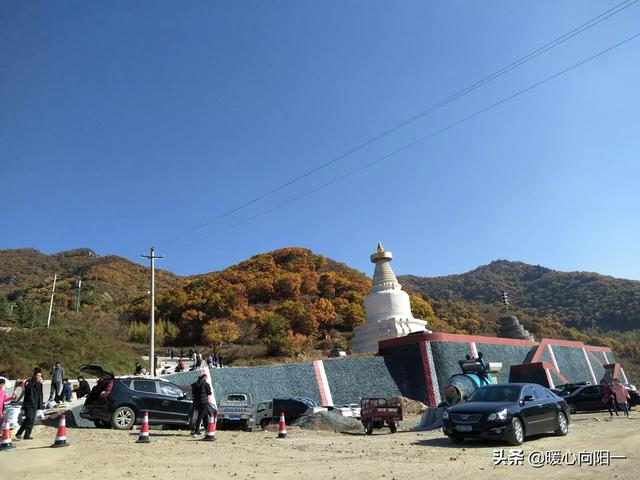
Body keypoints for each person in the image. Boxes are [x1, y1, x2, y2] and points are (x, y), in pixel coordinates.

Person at [15, 368, 44, 441]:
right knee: (29, 418)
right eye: (37, 375)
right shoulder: (29, 381)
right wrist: (36, 381)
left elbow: (40, 395)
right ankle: (19, 433)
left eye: (40, 376)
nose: (39, 377)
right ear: (34, 375)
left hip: (35, 404)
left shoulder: (39, 384)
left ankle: (27, 435)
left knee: (32, 420)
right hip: (28, 404)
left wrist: (40, 406)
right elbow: (28, 387)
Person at [190, 373, 212, 437]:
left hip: (197, 402)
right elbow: (209, 393)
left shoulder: (195, 384)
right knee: (200, 417)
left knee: (205, 416)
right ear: (204, 377)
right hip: (204, 402)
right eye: (206, 378)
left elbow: (193, 392)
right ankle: (196, 431)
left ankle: (207, 430)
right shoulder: (206, 384)